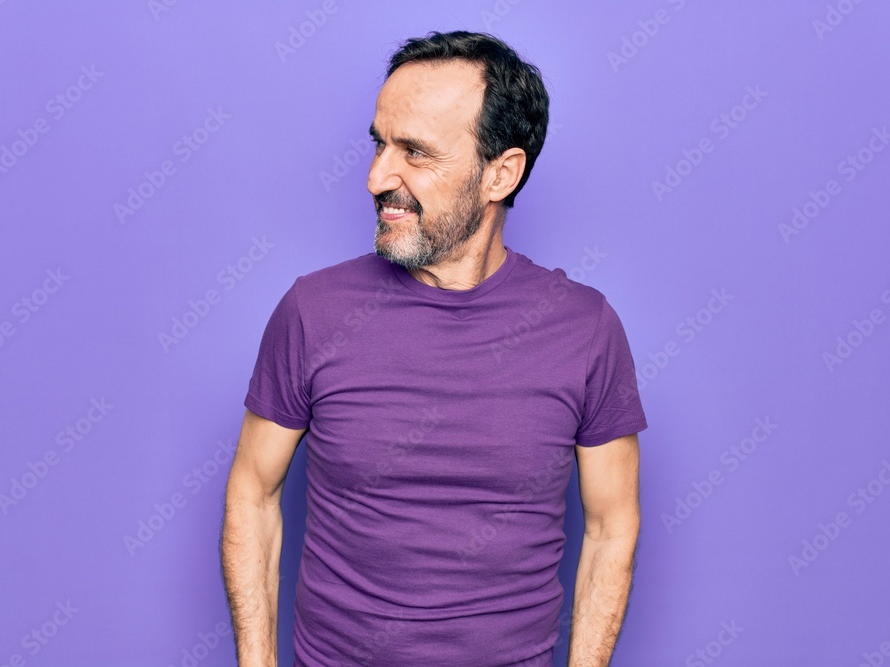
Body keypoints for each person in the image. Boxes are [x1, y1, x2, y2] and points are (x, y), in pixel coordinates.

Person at [221, 30, 647, 667]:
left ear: (500, 174)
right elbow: (252, 493)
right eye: (379, 144)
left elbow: (613, 526)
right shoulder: (313, 312)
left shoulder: (586, 329)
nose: (376, 177)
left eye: (415, 153)